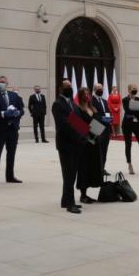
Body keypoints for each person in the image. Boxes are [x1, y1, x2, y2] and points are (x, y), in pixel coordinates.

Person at [52, 80, 84, 213]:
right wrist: (80, 134)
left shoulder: (72, 103)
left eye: (71, 86)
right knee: (68, 174)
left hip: (75, 143)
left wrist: (91, 132)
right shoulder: (57, 104)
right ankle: (70, 204)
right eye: (67, 87)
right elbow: (64, 124)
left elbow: (78, 121)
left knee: (72, 174)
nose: (70, 89)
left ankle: (65, 200)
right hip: (65, 144)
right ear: (60, 89)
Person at [74, 85, 104, 203]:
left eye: (88, 94)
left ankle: (87, 193)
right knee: (84, 168)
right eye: (84, 94)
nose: (87, 96)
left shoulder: (93, 108)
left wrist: (98, 132)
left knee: (93, 167)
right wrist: (89, 133)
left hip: (95, 142)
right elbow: (78, 125)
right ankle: (83, 195)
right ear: (81, 96)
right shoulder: (78, 109)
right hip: (85, 143)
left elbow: (97, 121)